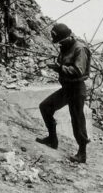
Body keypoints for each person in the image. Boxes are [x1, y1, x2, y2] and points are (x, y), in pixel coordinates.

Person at [35, 22, 91, 163]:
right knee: (45, 107)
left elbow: (79, 71)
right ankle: (52, 139)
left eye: (60, 42)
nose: (59, 45)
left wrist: (60, 68)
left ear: (67, 38)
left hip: (77, 89)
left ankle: (82, 153)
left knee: (77, 121)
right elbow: (63, 63)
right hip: (67, 89)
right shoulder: (65, 47)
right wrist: (57, 66)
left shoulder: (80, 49)